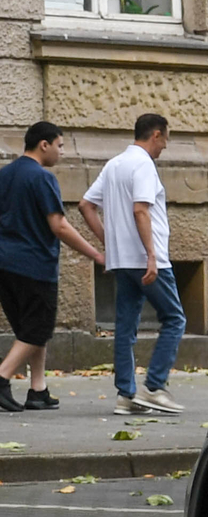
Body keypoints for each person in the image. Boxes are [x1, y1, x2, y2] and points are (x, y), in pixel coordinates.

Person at [80, 112, 185, 415]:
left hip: (121, 260)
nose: (165, 146)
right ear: (155, 135)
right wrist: (151, 254)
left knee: (125, 327)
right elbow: (141, 210)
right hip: (147, 259)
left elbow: (86, 205)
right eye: (165, 139)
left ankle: (126, 396)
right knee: (174, 319)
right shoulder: (143, 165)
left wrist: (109, 243)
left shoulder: (114, 164)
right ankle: (154, 387)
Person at [0, 122, 107, 412]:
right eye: (59, 145)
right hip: (35, 265)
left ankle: (38, 390)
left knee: (29, 329)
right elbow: (58, 225)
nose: (62, 151)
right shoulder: (42, 178)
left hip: (4, 265)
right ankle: (2, 377)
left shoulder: (4, 174)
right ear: (43, 145)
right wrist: (95, 254)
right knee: (37, 328)